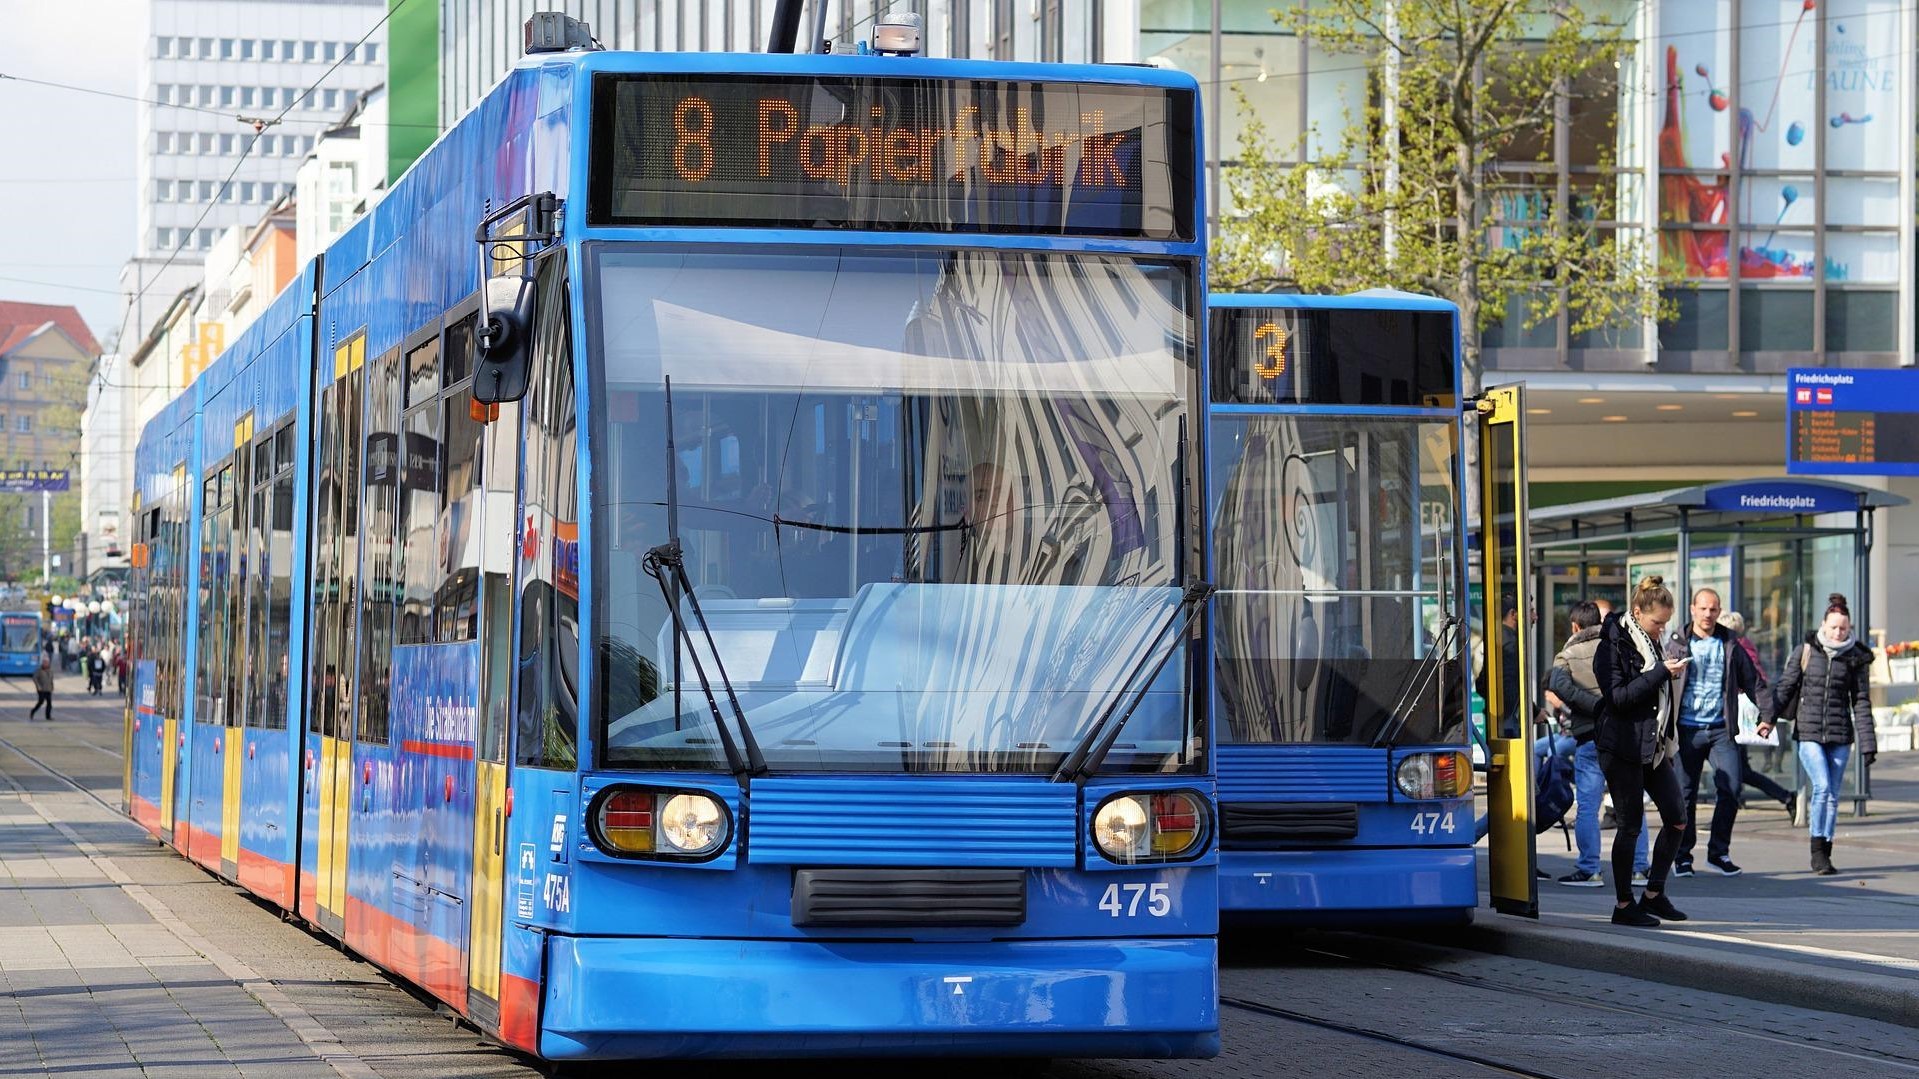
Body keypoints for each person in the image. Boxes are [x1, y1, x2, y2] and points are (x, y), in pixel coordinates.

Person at [1592, 575, 1690, 927]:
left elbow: (1654, 697)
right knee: (1630, 826)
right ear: (1637, 612)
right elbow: (1618, 698)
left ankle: (1653, 894)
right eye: (1656, 623)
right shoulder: (1612, 646)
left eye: (1665, 624)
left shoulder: (1655, 646)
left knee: (1677, 818)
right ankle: (1623, 905)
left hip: (1653, 746)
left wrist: (1665, 673)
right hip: (1622, 746)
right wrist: (1661, 673)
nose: (1661, 630)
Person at [1664, 588, 1773, 877]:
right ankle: (1683, 856)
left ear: (1719, 610)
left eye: (1713, 609)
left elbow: (1755, 682)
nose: (1708, 614)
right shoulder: (1677, 642)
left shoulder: (1730, 643)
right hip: (1686, 729)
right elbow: (1659, 682)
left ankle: (1718, 852)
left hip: (1719, 730)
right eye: (1703, 609)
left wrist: (1767, 715)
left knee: (1731, 788)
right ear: (1692, 609)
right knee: (1684, 796)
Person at [1770, 593, 1877, 875]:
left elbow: (1862, 702)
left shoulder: (1856, 658)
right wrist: (1767, 718)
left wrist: (1868, 743)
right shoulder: (1806, 650)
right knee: (1823, 787)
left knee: (1832, 794)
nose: (1837, 632)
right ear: (1823, 625)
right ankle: (1817, 851)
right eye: (1833, 627)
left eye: (1843, 628)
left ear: (1849, 628)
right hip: (1808, 732)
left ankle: (1825, 849)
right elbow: (1785, 687)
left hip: (1841, 735)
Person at [1549, 599, 1649, 888]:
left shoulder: (1567, 655)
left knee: (1588, 806)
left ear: (1575, 626)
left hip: (1590, 738)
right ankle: (1639, 869)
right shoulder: (1621, 647)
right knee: (1632, 804)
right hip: (1625, 736)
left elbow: (1559, 686)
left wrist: (1595, 708)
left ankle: (1590, 869)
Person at [1720, 611, 1797, 819]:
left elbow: (1755, 679)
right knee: (1741, 771)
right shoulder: (1741, 645)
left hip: (1734, 717)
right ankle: (1787, 797)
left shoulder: (1739, 647)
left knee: (1734, 772)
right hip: (1729, 716)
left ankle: (1787, 797)